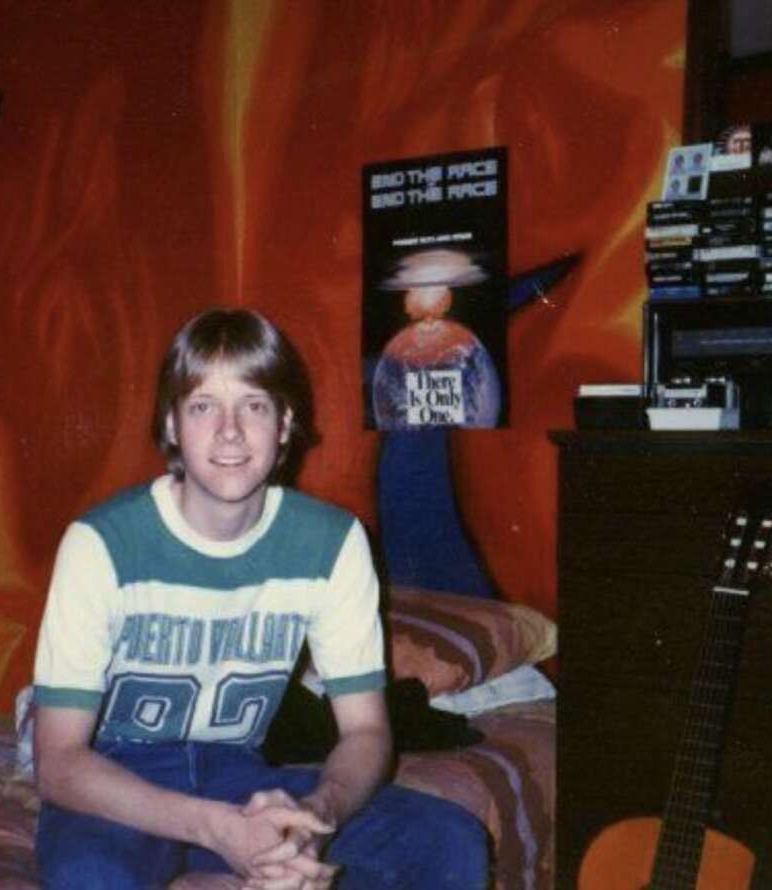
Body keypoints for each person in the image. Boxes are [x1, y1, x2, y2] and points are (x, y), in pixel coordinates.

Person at [31, 307, 490, 889]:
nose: (229, 431)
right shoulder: (102, 543)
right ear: (172, 424)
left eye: (253, 404)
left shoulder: (332, 542)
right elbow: (60, 764)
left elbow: (367, 733)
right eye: (202, 406)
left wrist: (315, 819)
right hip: (120, 782)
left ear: (284, 422)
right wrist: (216, 830)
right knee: (90, 879)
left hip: (239, 774)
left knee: (450, 843)